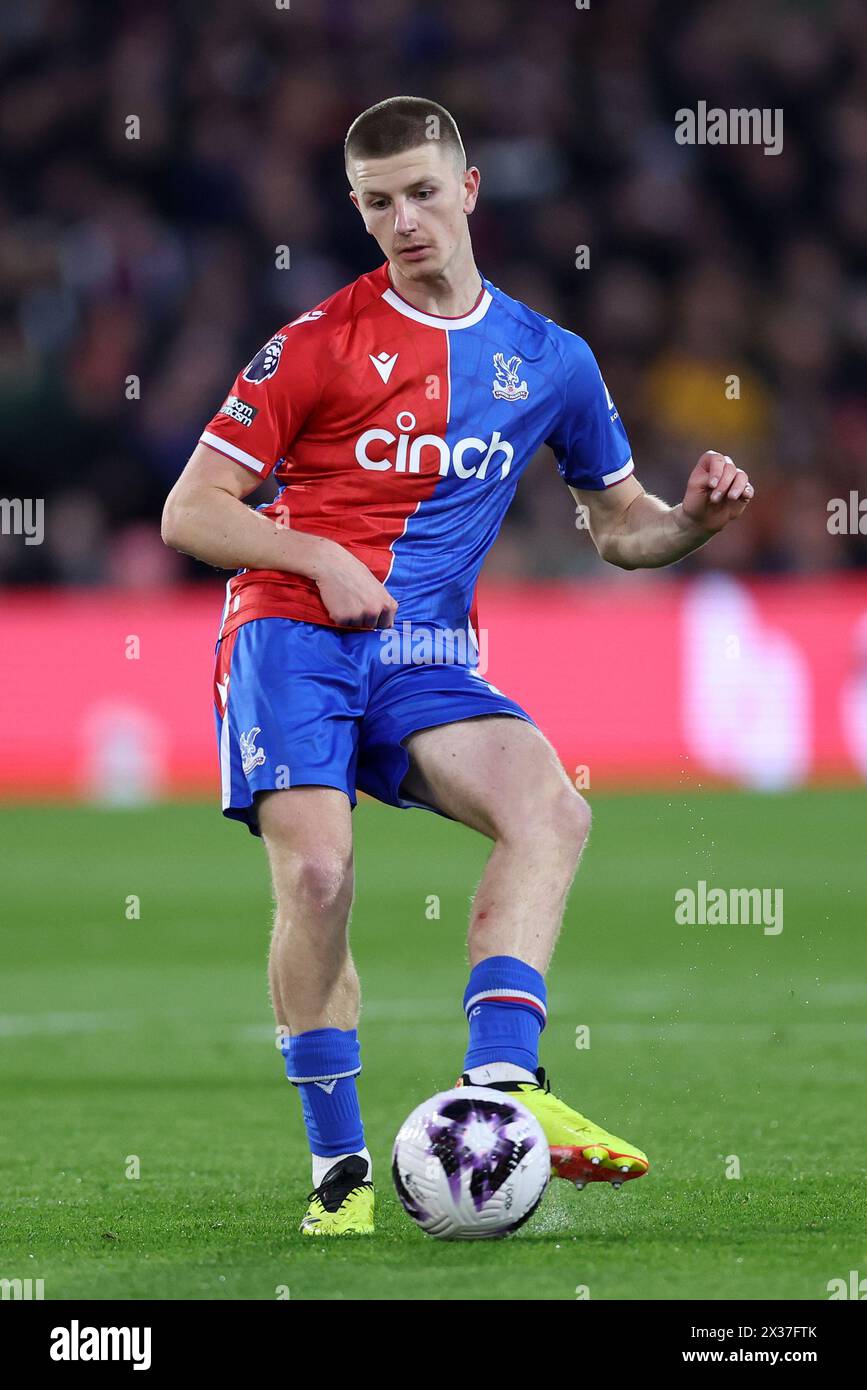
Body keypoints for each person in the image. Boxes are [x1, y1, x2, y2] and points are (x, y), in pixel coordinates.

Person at [161, 96, 754, 1235]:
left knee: (554, 810)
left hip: (425, 650)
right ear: (358, 210)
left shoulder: (551, 359)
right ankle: (340, 1175)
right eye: (378, 202)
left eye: (424, 193)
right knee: (322, 877)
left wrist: (690, 522)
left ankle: (500, 1086)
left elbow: (620, 525)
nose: (404, 220)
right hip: (291, 632)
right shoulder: (315, 343)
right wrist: (316, 555)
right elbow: (192, 510)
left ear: (470, 189)